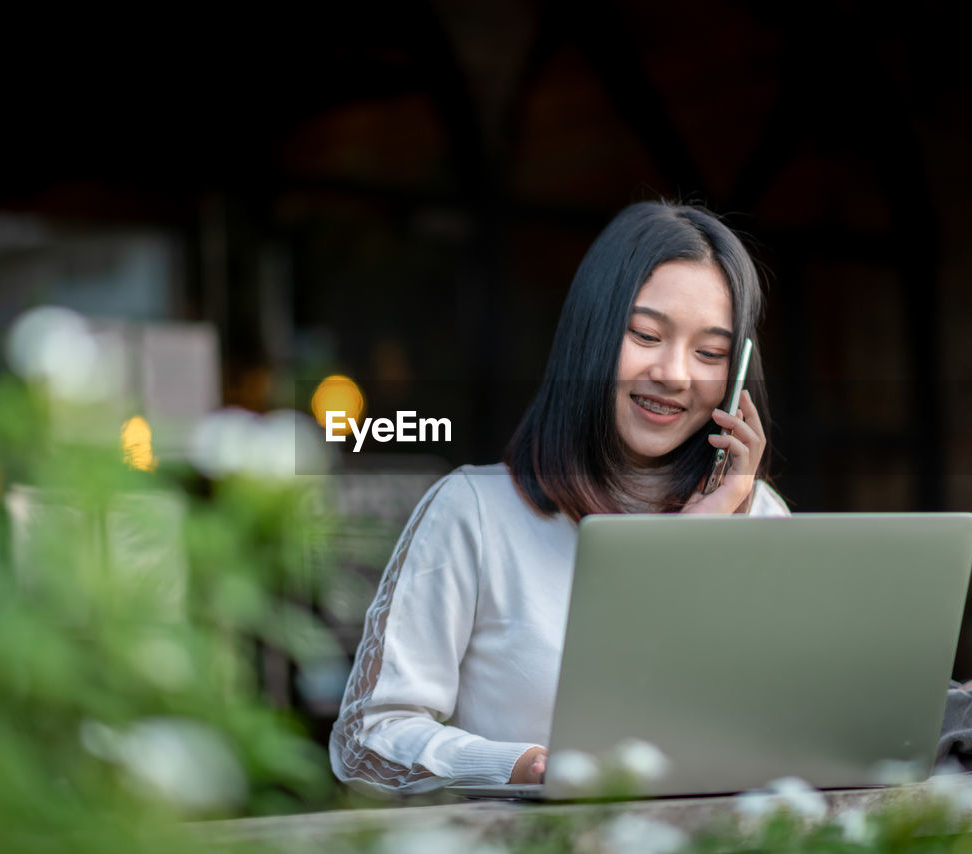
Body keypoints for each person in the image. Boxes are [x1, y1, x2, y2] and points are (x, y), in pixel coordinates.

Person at [329, 201, 790, 797]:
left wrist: (698, 533)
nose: (675, 373)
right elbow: (366, 740)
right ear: (591, 335)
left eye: (710, 353)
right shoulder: (474, 512)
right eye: (646, 335)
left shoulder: (759, 516)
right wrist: (519, 767)